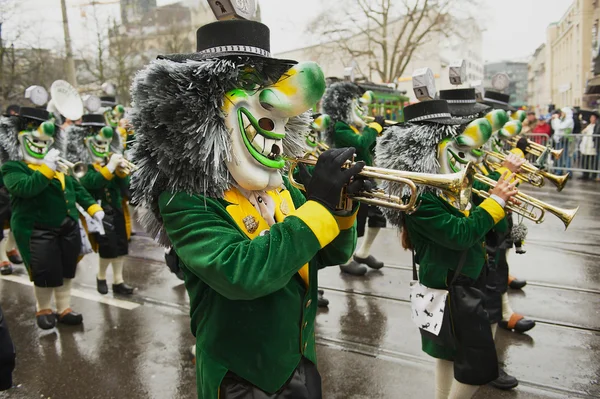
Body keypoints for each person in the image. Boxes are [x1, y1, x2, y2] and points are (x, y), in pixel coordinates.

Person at [131, 19, 363, 398]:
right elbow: (242, 274)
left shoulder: (282, 185)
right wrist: (319, 206)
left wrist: (343, 206)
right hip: (241, 378)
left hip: (299, 360)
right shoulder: (185, 199)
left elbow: (332, 252)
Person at [377, 100, 519, 399]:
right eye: (452, 149)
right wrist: (496, 203)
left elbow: (493, 230)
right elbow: (460, 234)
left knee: (449, 354)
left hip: (464, 280)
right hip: (449, 286)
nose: (461, 158)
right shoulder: (420, 201)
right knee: (478, 367)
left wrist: (501, 206)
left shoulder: (453, 190)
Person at [0, 107, 104, 329]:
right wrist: (46, 168)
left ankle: (64, 307)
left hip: (67, 226)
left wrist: (93, 208)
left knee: (67, 269)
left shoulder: (59, 166)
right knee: (45, 271)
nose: (42, 142)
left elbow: (76, 188)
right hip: (36, 229)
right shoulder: (12, 168)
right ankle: (43, 308)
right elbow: (24, 188)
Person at [65, 114, 134, 295]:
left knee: (121, 245)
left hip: (116, 207)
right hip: (97, 210)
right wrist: (110, 167)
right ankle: (101, 276)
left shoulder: (108, 159)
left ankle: (118, 281)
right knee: (107, 247)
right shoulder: (82, 164)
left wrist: (120, 173)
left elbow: (123, 185)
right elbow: (91, 182)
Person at [322, 82, 386, 276]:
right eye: (355, 104)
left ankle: (363, 252)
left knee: (377, 216)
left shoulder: (356, 126)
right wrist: (374, 127)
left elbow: (369, 146)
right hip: (350, 180)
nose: (361, 108)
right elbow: (359, 144)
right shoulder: (340, 128)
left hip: (367, 176)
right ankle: (346, 259)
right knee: (354, 221)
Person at [551, 108, 574, 174]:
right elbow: (555, 127)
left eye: (563, 113)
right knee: (559, 156)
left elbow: (560, 127)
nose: (562, 114)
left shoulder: (569, 120)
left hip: (566, 140)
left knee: (567, 156)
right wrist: (553, 120)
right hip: (559, 139)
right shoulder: (562, 119)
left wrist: (556, 119)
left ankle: (568, 171)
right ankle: (559, 170)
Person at [579, 112, 599, 180]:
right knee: (585, 160)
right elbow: (583, 132)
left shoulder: (596, 126)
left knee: (593, 161)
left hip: (592, 145)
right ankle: (585, 174)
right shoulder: (589, 125)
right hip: (586, 145)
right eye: (591, 117)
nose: (591, 119)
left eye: (593, 118)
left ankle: (593, 175)